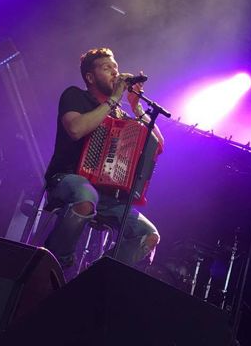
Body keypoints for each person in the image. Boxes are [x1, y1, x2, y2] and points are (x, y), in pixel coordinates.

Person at [44, 47, 165, 271]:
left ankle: (97, 276)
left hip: (107, 195)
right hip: (67, 179)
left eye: (116, 68)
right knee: (85, 194)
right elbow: (75, 129)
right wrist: (114, 99)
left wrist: (135, 105)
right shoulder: (75, 95)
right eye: (106, 67)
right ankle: (54, 265)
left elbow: (157, 144)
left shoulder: (120, 114)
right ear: (90, 77)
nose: (114, 72)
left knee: (149, 236)